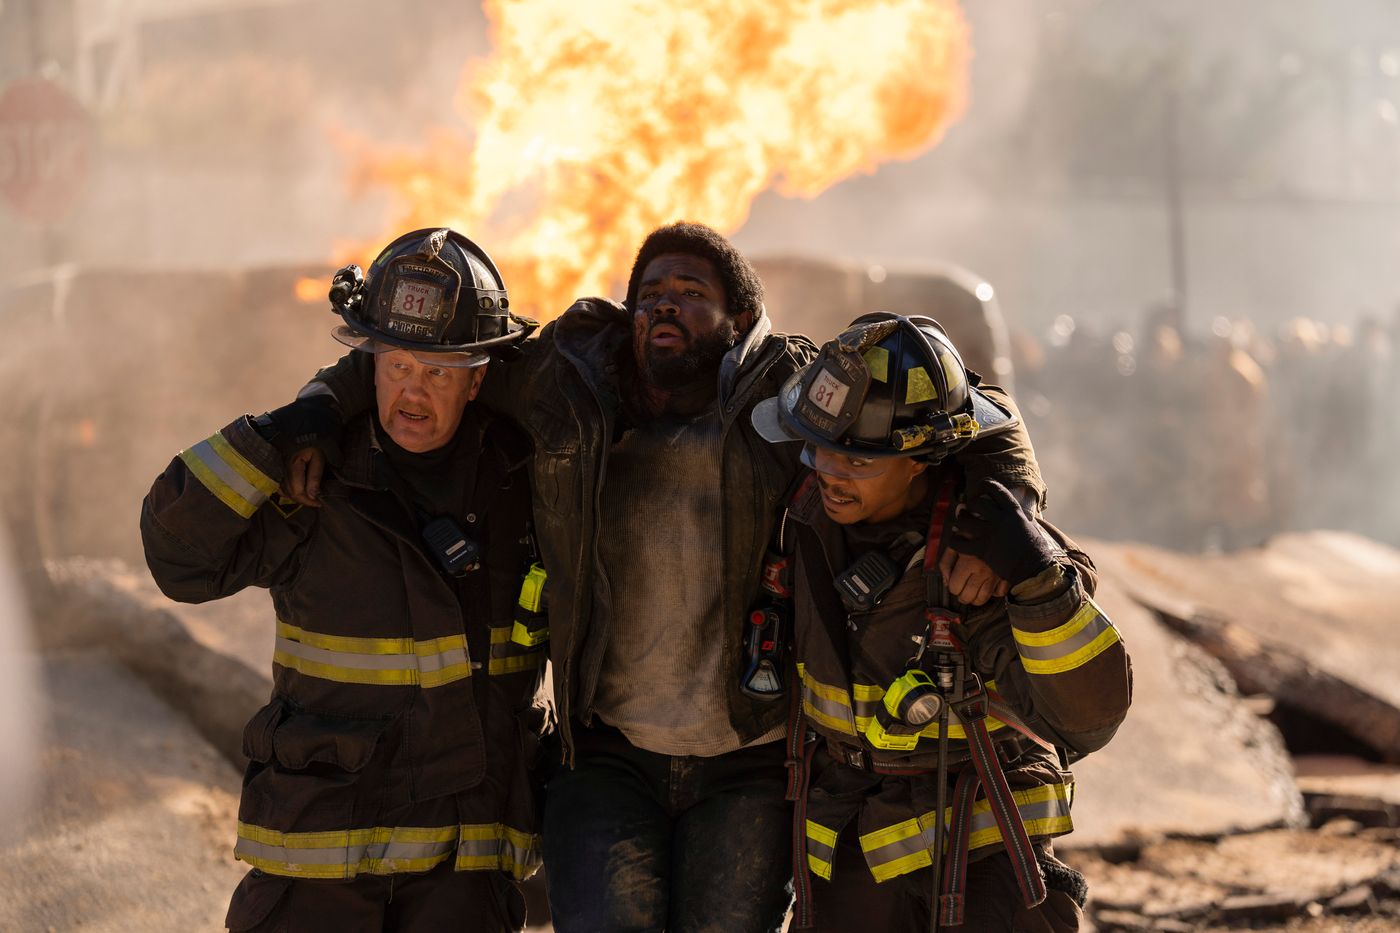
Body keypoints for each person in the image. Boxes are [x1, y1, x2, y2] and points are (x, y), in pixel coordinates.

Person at [284, 222, 1049, 932]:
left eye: (690, 293)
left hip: (748, 761)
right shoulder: (567, 386)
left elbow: (971, 406)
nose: (664, 306)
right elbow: (424, 350)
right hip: (607, 753)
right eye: (649, 293)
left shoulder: (789, 396)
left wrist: (1007, 511)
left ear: (740, 319)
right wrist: (319, 409)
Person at [140, 228, 548, 932]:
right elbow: (179, 560)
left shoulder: (525, 480)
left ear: (479, 377)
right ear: (369, 365)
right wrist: (279, 430)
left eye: (439, 372)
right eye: (395, 367)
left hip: (462, 871)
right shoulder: (316, 472)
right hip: (321, 865)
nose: (413, 394)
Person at [752, 313, 1132, 931]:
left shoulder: (980, 552)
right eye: (818, 448)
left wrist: (1038, 583)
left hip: (984, 860)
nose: (828, 469)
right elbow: (992, 405)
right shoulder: (803, 517)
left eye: (858, 461)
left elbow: (1088, 720)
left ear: (922, 459)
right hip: (852, 852)